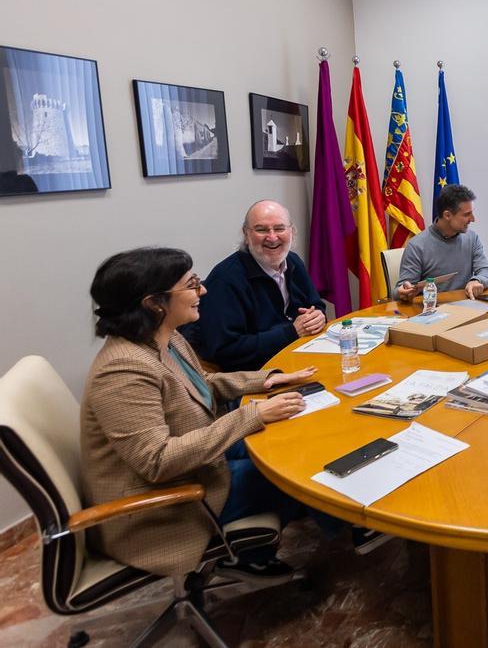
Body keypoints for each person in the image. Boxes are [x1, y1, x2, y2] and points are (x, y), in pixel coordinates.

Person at [81, 247, 327, 583]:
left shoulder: (163, 336)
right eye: (192, 284)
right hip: (163, 505)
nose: (203, 290)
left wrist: (268, 379)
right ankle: (346, 529)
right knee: (293, 470)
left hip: (198, 462)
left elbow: (201, 383)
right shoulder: (123, 370)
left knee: (297, 437)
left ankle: (263, 550)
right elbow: (157, 461)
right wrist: (252, 414)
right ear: (154, 303)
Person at [191, 200, 326, 372]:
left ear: (292, 231)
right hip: (255, 373)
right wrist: (291, 332)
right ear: (246, 235)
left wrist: (318, 316)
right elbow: (225, 350)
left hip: (299, 355)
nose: (272, 237)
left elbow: (316, 304)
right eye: (261, 230)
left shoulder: (293, 261)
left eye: (279, 228)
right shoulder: (225, 280)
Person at [395, 184, 488, 301]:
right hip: (433, 308)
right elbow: (401, 290)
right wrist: (403, 291)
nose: (473, 219)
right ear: (447, 215)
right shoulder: (417, 246)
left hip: (467, 305)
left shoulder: (472, 238)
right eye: (467, 214)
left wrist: (477, 280)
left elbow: (487, 272)